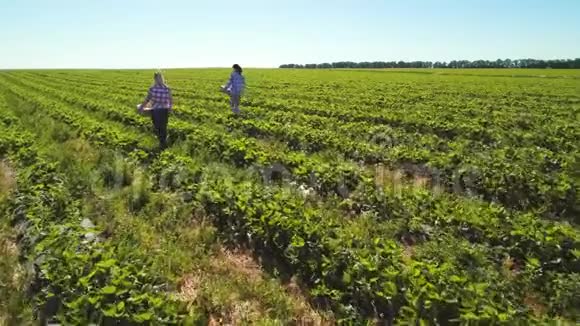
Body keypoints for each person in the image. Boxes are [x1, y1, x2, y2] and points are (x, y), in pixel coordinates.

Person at [139, 72, 173, 149]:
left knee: (157, 126)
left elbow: (147, 99)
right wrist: (170, 108)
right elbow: (170, 100)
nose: (160, 79)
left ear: (155, 79)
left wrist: (141, 107)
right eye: (160, 78)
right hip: (164, 110)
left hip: (156, 110)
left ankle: (162, 142)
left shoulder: (152, 88)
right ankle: (163, 142)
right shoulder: (167, 88)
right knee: (163, 126)